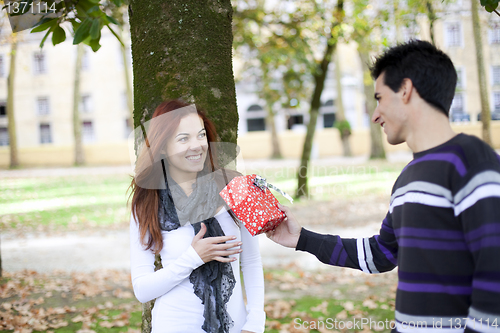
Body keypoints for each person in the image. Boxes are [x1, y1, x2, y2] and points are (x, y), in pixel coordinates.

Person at [267, 40, 500, 333]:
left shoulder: (473, 160)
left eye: (379, 98)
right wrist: (303, 239)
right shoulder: (408, 178)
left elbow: (494, 273)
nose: (375, 114)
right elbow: (381, 254)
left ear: (406, 90)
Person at [129, 100, 265, 333]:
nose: (197, 145)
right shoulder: (148, 202)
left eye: (201, 135)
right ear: (162, 147)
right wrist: (193, 257)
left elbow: (251, 261)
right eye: (183, 139)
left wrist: (255, 322)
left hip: (236, 326)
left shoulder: (234, 186)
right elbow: (142, 289)